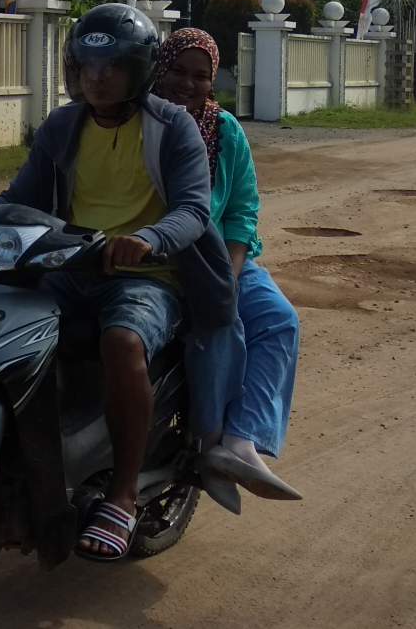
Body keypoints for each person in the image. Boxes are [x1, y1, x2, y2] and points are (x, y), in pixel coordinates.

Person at [0, 4, 234, 562]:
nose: (96, 76)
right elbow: (19, 197)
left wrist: (151, 240)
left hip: (148, 276)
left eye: (111, 65)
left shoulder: (172, 127)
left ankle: (122, 494)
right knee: (3, 329)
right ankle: (26, 468)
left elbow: (194, 210)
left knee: (122, 340)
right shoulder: (63, 126)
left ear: (138, 70)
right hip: (71, 268)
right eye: (86, 64)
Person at [150, 27, 302, 509]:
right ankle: (208, 442)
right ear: (158, 68)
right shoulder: (140, 122)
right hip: (160, 259)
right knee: (221, 328)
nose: (187, 84)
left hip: (224, 258)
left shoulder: (225, 130)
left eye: (200, 76)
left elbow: (241, 210)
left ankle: (243, 441)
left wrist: (232, 272)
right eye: (177, 71)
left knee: (279, 319)